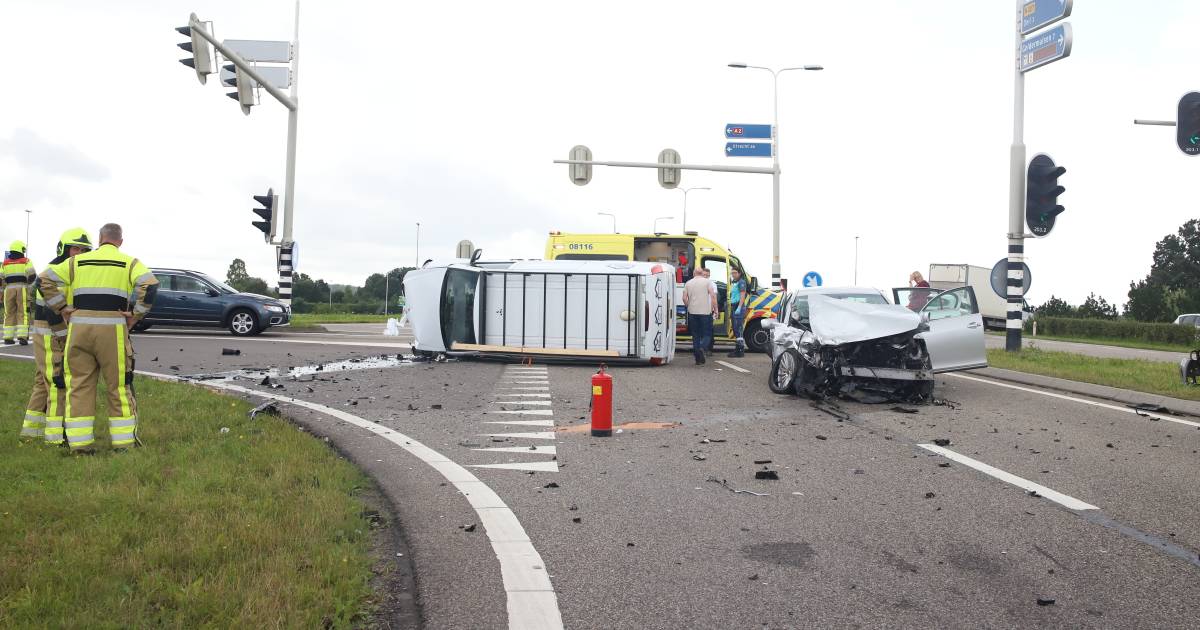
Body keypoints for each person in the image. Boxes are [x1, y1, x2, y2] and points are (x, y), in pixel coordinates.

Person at [40, 223, 157, 453]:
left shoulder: (75, 262)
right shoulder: (129, 262)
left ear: (99, 239)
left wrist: (62, 308)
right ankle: (123, 444)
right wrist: (136, 315)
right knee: (118, 385)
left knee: (79, 385)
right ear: (120, 241)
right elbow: (150, 285)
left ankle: (80, 445)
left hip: (79, 330)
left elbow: (44, 280)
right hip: (112, 331)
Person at [20, 228, 92, 443]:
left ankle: (30, 431)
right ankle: (55, 436)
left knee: (43, 382)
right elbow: (54, 310)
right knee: (57, 381)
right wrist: (63, 336)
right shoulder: (56, 270)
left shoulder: (67, 270)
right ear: (65, 248)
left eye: (85, 250)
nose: (80, 253)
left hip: (51, 331)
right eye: (76, 248)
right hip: (51, 332)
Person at [2, 240, 36, 345]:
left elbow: (1, 278)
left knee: (9, 313)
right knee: (23, 312)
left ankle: (8, 337)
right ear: (20, 249)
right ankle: (22, 337)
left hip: (8, 289)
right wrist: (29, 287)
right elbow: (32, 275)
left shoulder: (5, 263)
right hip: (22, 288)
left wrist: (3, 290)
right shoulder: (26, 261)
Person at [682, 266, 716, 365]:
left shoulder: (688, 283)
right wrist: (715, 309)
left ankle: (698, 359)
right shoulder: (707, 282)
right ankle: (702, 347)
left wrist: (689, 306)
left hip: (692, 312)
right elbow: (713, 296)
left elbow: (684, 298)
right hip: (705, 312)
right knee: (707, 334)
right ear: (702, 273)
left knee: (695, 335)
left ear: (693, 273)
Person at [726, 268, 749, 358]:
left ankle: (740, 350)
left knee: (738, 329)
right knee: (735, 328)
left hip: (738, 306)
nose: (733, 274)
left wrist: (739, 307)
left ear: (739, 273)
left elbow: (742, 295)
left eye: (735, 273)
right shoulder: (734, 282)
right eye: (732, 273)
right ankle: (738, 348)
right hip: (733, 306)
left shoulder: (741, 282)